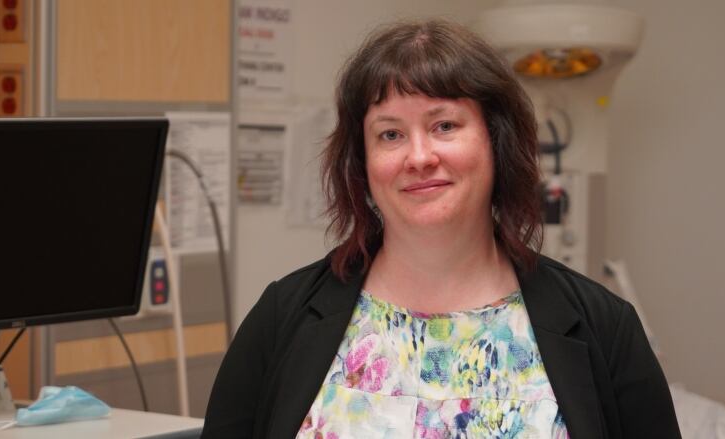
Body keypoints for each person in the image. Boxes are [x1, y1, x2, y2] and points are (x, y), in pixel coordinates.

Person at [202, 20, 680, 439]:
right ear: (361, 162)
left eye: (445, 125)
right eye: (390, 134)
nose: (419, 156)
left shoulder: (605, 329)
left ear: (496, 142)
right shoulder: (281, 318)